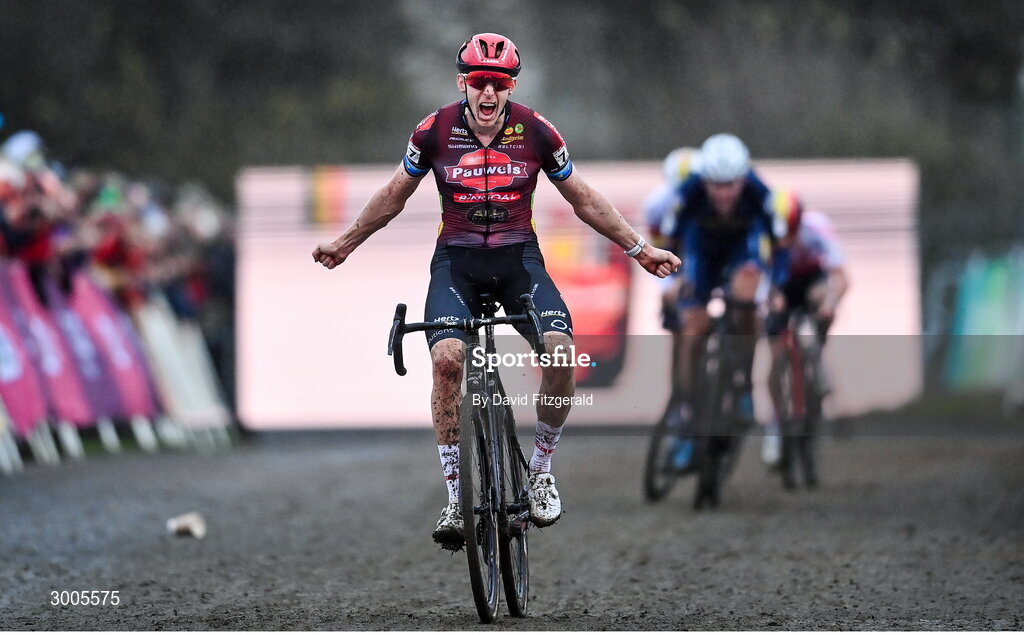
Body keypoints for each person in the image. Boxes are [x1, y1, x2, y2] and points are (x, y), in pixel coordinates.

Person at [312, 33, 680, 547]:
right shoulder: (434, 131)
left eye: (499, 84)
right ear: (463, 82)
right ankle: (454, 498)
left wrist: (640, 249)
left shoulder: (537, 131)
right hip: (456, 265)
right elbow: (395, 194)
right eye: (480, 83)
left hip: (518, 263)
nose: (488, 94)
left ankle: (542, 470)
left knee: (560, 355)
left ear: (511, 86)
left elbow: (585, 201)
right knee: (446, 361)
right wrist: (347, 242)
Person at [658, 133, 777, 464]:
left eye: (731, 185)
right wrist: (675, 282)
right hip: (702, 254)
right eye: (716, 185)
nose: (723, 193)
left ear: (743, 178)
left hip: (742, 251)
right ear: (703, 180)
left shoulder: (758, 191)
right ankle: (685, 415)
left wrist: (776, 287)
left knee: (746, 298)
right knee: (692, 329)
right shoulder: (688, 192)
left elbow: (777, 244)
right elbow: (670, 241)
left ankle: (745, 385)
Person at [761, 196, 849, 469]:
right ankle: (775, 424)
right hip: (780, 285)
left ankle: (816, 354)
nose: (785, 242)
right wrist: (769, 300)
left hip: (811, 282)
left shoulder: (816, 228)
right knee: (776, 357)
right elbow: (758, 279)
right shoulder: (762, 235)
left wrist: (830, 303)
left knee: (821, 299)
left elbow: (841, 277)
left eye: (790, 234)